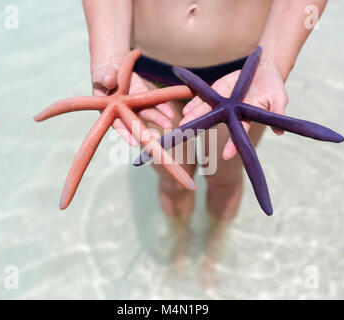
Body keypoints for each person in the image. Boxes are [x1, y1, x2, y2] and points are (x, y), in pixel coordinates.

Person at [83, 0, 327, 281]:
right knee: (173, 182)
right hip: (146, 71)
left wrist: (272, 66)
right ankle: (180, 240)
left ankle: (215, 244)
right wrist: (109, 60)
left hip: (245, 73)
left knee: (224, 179)